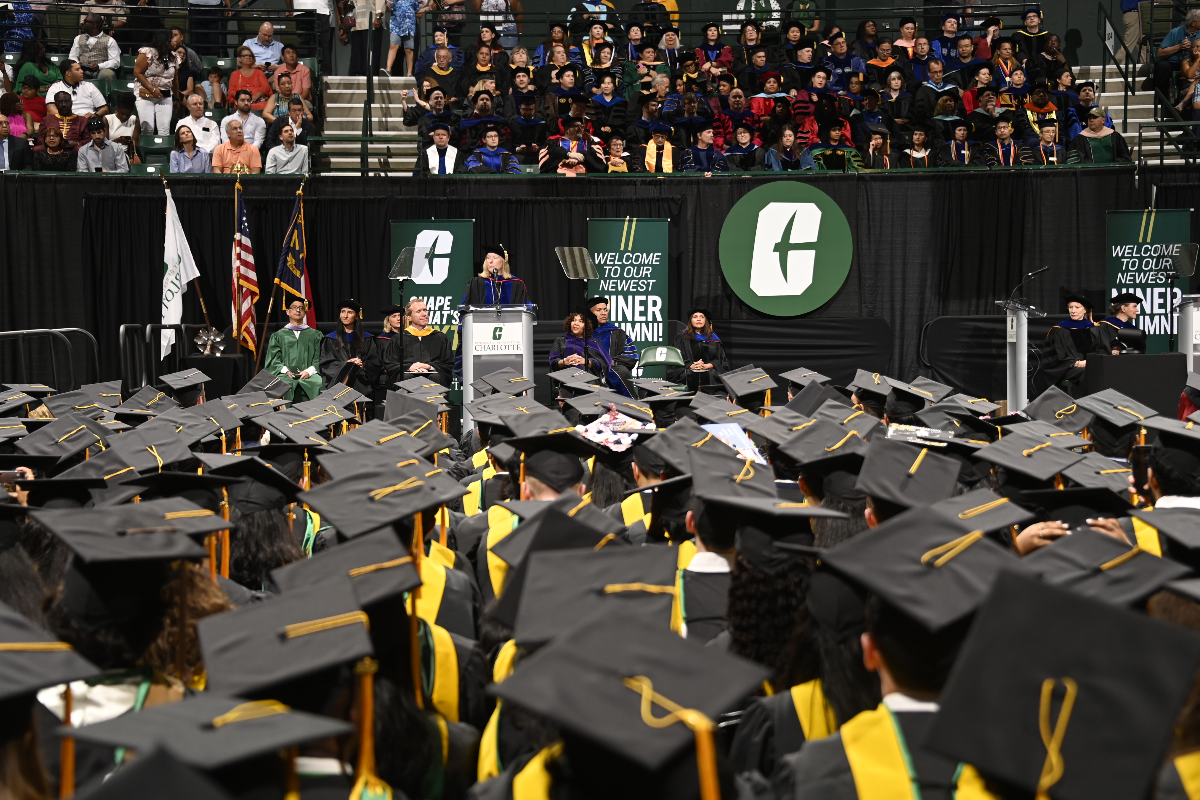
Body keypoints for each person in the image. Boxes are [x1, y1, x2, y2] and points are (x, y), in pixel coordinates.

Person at [383, 297, 454, 388]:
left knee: (435, 377)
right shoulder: (398, 339)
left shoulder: (440, 337)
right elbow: (390, 364)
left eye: (425, 310)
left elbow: (447, 363)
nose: (424, 314)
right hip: (407, 376)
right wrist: (410, 367)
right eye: (418, 311)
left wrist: (428, 366)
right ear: (409, 317)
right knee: (407, 377)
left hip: (434, 377)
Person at [264, 297, 323, 402]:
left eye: (301, 308)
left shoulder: (316, 335)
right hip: (285, 375)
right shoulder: (278, 335)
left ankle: (317, 416)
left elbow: (320, 357)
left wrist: (309, 371)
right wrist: (286, 371)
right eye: (294, 307)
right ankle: (285, 416)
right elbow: (273, 360)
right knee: (282, 384)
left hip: (309, 375)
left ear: (305, 312)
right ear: (287, 311)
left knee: (318, 383)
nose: (298, 310)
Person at [320, 300, 381, 400]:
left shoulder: (367, 339)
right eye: (343, 311)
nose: (345, 316)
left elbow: (375, 362)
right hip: (338, 380)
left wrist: (363, 365)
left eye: (350, 312)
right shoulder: (331, 339)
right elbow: (326, 364)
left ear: (356, 316)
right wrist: (346, 364)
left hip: (361, 378)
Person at [585, 296, 638, 396]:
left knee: (622, 372)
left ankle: (630, 407)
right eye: (599, 310)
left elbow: (631, 356)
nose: (603, 313)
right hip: (590, 368)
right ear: (590, 313)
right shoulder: (583, 333)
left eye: (605, 310)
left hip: (613, 368)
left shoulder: (618, 333)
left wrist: (614, 361)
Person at [1042, 294, 1094, 395]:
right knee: (1086, 373)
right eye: (1070, 307)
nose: (1073, 311)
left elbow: (1100, 349)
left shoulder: (1094, 328)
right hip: (1066, 368)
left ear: (1085, 310)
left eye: (1077, 307)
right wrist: (1077, 363)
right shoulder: (1059, 329)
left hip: (1091, 365)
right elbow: (1056, 356)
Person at [667, 308, 729, 392]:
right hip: (688, 371)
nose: (699, 319)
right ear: (690, 321)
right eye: (695, 317)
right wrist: (690, 365)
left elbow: (722, 360)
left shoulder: (713, 339)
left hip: (710, 372)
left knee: (712, 375)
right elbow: (674, 359)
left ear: (705, 320)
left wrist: (709, 365)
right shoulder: (681, 338)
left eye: (702, 317)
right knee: (690, 375)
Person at [132, 28, 179, 135]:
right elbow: (137, 72)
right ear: (165, 40)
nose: (175, 40)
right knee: (147, 128)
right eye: (172, 38)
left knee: (164, 129)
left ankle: (162, 151)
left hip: (165, 96)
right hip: (146, 94)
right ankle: (145, 151)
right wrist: (152, 89)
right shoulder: (148, 52)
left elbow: (175, 80)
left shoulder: (175, 57)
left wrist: (176, 98)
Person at [462, 243, 528, 305]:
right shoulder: (477, 283)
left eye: (495, 258)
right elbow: (466, 310)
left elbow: (526, 311)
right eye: (488, 258)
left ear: (503, 261)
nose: (490, 261)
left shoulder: (516, 284)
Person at [539, 116, 606, 173]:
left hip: (584, 181)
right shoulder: (554, 142)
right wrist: (568, 155)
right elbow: (545, 163)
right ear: (567, 129)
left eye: (581, 126)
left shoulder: (589, 143)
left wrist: (583, 157)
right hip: (560, 180)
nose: (580, 129)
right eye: (576, 126)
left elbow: (600, 162)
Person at [68, 14, 120, 82]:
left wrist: (99, 66)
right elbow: (72, 56)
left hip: (100, 71)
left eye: (86, 21)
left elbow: (115, 62)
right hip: (82, 69)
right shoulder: (78, 38)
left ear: (94, 25)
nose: (83, 23)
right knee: (70, 71)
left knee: (107, 74)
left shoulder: (110, 40)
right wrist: (77, 65)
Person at [227, 46, 272, 110]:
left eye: (250, 56)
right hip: (241, 102)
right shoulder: (235, 74)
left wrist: (256, 95)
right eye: (245, 55)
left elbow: (266, 87)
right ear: (239, 58)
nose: (248, 57)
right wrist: (243, 98)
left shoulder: (259, 72)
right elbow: (232, 91)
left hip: (259, 102)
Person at [103, 93, 139, 161]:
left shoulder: (135, 120)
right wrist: (117, 140)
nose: (124, 117)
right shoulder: (107, 119)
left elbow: (134, 145)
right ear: (117, 108)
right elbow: (104, 144)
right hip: (109, 153)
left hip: (126, 155)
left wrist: (130, 143)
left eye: (128, 115)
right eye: (122, 114)